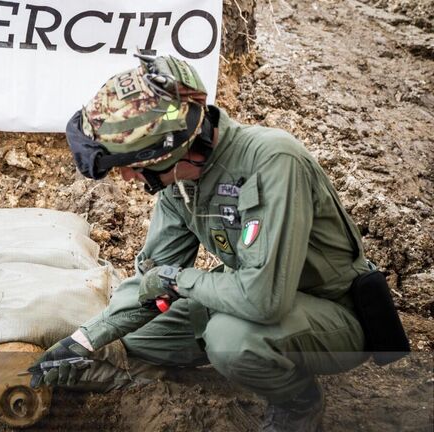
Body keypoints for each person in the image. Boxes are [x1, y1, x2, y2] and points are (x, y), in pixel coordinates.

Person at [28, 55, 396, 431]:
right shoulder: (179, 182)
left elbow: (263, 300)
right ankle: (242, 362)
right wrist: (86, 340)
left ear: (164, 152)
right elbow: (153, 279)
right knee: (135, 338)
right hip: (251, 297)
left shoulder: (273, 161)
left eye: (127, 164)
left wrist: (179, 280)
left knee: (230, 339)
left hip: (335, 314)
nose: (123, 177)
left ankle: (298, 402)